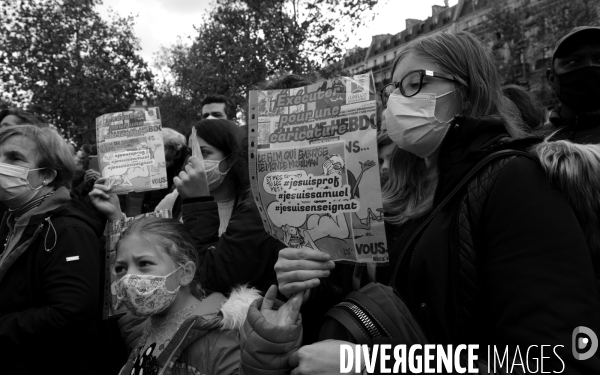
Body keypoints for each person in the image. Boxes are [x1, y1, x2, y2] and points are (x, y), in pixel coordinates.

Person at [263, 31, 600, 374]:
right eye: (391, 90)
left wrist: (371, 365)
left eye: (413, 83)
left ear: (467, 92)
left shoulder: (516, 182)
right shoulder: (391, 195)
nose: (394, 100)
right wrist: (308, 285)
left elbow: (558, 360)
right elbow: (371, 313)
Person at [81, 204, 258, 374]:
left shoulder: (220, 342)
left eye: (144, 263)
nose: (128, 278)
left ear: (185, 273)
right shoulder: (148, 327)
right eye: (121, 268)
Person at [0, 125, 103, 374]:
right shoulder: (14, 221)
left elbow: (71, 312)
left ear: (46, 175)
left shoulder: (68, 231)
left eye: (13, 158)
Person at [175, 119, 284, 294]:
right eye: (191, 153)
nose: (193, 161)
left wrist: (198, 201)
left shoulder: (256, 207)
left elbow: (215, 276)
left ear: (232, 158)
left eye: (204, 152)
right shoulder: (176, 197)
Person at [546, 26, 600, 143]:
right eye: (574, 62)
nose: (590, 67)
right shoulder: (535, 146)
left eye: (599, 60)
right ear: (551, 78)